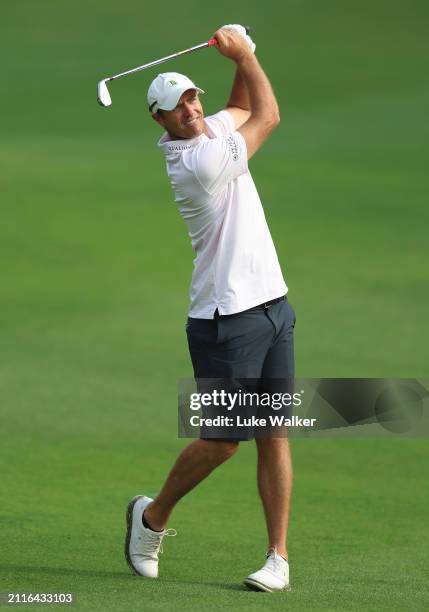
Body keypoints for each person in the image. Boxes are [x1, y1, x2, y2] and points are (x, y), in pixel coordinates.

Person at [124, 25, 296, 593]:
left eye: (194, 97)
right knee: (223, 441)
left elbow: (242, 105)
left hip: (273, 306)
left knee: (274, 431)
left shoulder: (213, 128)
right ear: (161, 120)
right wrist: (246, 53)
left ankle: (277, 557)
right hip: (227, 319)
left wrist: (237, 60)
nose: (193, 110)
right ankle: (151, 518)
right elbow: (267, 117)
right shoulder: (194, 163)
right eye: (178, 107)